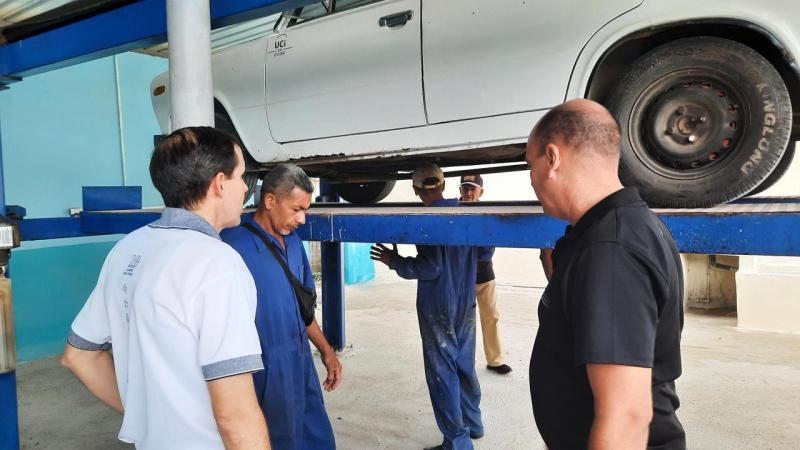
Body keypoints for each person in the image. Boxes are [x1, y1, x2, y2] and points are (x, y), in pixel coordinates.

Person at [61, 127, 270, 449]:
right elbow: (235, 414)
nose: (245, 188)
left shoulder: (129, 247)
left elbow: (79, 356)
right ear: (219, 183)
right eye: (241, 176)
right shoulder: (217, 263)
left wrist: (147, 419)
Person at [526, 99, 686, 449]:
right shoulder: (620, 227)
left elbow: (626, 418)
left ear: (552, 159)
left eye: (530, 166)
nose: (533, 182)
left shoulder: (610, 250)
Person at [371, 163, 491, 450]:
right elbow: (486, 251)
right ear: (444, 185)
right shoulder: (466, 212)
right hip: (465, 302)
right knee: (464, 364)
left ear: (415, 190)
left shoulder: (428, 217)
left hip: (438, 305)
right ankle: (473, 424)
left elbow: (430, 267)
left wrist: (394, 261)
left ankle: (457, 442)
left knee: (442, 373)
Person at [221, 164, 340, 450]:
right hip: (264, 370)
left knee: (316, 436)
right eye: (296, 209)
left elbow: (304, 309)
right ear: (270, 200)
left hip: (300, 362)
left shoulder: (295, 243)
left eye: (306, 210)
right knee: (276, 438)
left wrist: (326, 351)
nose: (302, 219)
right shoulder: (232, 246)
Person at [458, 174, 511, 375]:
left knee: (491, 317)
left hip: (484, 275)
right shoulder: (452, 211)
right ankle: (461, 361)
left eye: (472, 188)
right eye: (465, 188)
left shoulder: (487, 213)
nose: (469, 192)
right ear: (460, 190)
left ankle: (495, 360)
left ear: (481, 191)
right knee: (461, 320)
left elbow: (486, 251)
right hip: (461, 277)